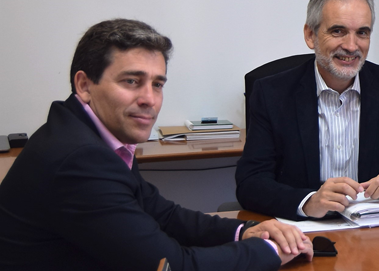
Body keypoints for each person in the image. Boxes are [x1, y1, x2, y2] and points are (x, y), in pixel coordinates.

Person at [0, 19, 313, 271]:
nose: (149, 99)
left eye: (157, 84)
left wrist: (244, 232)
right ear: (84, 85)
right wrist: (269, 251)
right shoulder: (80, 159)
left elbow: (163, 215)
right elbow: (172, 265)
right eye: (131, 81)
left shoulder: (92, 133)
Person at [236, 0, 379, 220]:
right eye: (338, 31)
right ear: (311, 35)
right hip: (303, 236)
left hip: (376, 236)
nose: (351, 46)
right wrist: (308, 202)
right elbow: (251, 183)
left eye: (362, 33)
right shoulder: (272, 94)